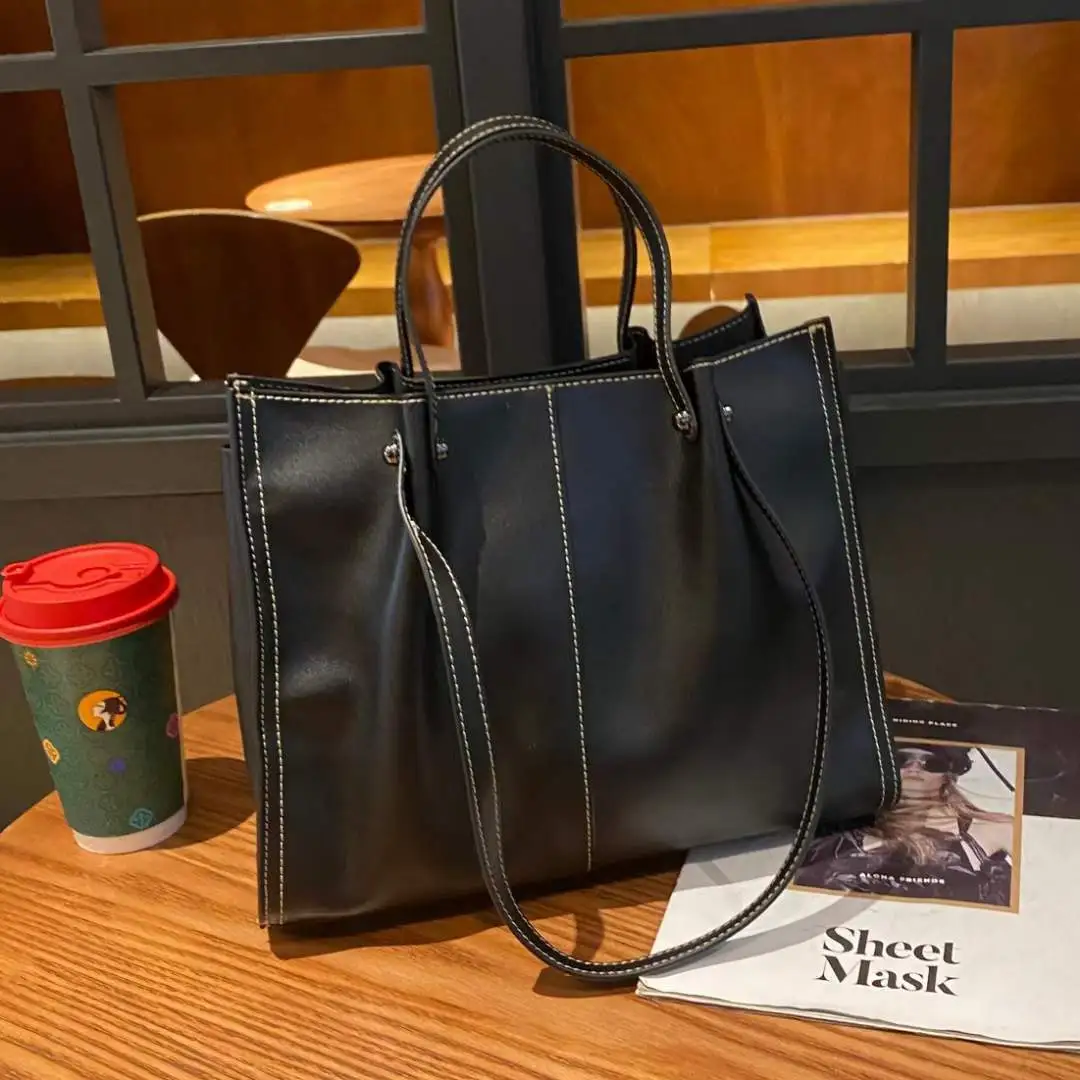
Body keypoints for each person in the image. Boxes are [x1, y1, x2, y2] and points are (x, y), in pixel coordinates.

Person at [797, 744, 1014, 906]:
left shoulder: (993, 829)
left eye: (932, 763)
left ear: (947, 776)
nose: (915, 768)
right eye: (901, 759)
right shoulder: (834, 828)